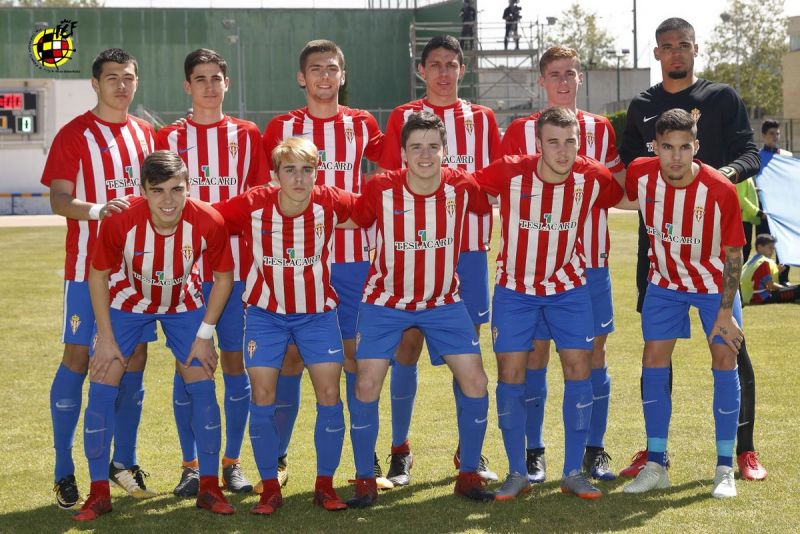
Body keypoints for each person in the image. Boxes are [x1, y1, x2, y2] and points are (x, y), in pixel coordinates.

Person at [618, 17, 766, 482]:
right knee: (655, 351)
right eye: (667, 46)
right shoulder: (642, 105)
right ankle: (654, 452)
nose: (676, 52)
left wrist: (715, 180)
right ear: (656, 53)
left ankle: (741, 451)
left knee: (730, 350)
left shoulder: (721, 97)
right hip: (659, 248)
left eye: (684, 45)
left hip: (716, 243)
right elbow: (627, 171)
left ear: (695, 49)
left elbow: (750, 154)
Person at [478, 106, 630, 501]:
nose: (562, 152)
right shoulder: (509, 171)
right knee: (511, 374)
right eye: (553, 142)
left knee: (579, 368)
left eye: (570, 142)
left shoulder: (592, 176)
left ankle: (573, 473)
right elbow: (462, 186)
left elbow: (624, 194)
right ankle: (516, 472)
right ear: (539, 143)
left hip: (569, 288)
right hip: (515, 289)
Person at [74, 150, 235, 521]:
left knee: (202, 380)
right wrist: (106, 338)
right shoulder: (121, 221)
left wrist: (204, 335)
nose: (168, 199)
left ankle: (209, 487)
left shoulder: (208, 220)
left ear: (188, 187)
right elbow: (97, 276)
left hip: (184, 304)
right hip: (127, 303)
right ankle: (99, 491)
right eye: (157, 190)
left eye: (176, 189)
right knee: (102, 380)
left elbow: (223, 278)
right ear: (143, 190)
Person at [346, 112, 494, 508]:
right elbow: (350, 218)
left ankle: (467, 474)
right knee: (365, 384)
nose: (425, 155)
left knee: (476, 382)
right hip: (385, 302)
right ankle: (365, 478)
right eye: (416, 147)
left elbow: (503, 197)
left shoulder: (462, 185)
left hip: (444, 302)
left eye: (433, 146)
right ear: (403, 153)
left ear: (445, 151)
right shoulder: (380, 187)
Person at [261, 39, 386, 490]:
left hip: (352, 264)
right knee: (291, 359)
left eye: (332, 68)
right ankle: (276, 459)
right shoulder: (281, 126)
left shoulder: (362, 125)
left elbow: (384, 184)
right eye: (316, 69)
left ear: (342, 76)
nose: (324, 76)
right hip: (297, 264)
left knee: (355, 358)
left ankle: (362, 458)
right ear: (302, 77)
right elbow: (267, 197)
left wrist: (354, 219)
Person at [378, 34, 501, 487]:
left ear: (462, 70)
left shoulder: (483, 119)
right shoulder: (402, 118)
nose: (444, 72)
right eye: (435, 64)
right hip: (410, 253)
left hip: (466, 252)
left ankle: (468, 453)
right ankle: (399, 451)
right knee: (405, 347)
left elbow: (491, 180)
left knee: (464, 352)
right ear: (421, 71)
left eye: (452, 64)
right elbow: (392, 179)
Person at [501, 46, 625, 484]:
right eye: (555, 74)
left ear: (581, 78)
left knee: (594, 353)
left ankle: (594, 449)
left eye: (571, 73)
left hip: (590, 261)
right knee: (534, 354)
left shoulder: (601, 128)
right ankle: (534, 451)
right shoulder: (519, 130)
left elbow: (616, 188)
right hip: (535, 268)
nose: (564, 82)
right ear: (542, 80)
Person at [41, 48, 157, 509]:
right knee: (76, 358)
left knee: (135, 359)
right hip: (87, 268)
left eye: (129, 77)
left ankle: (122, 461)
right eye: (113, 78)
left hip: (138, 272)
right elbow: (58, 199)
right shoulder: (75, 134)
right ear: (96, 83)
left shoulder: (146, 133)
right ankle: (64, 468)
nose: (122, 86)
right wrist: (97, 210)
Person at [214, 137, 355, 514]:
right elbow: (208, 218)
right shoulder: (252, 204)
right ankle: (270, 488)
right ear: (275, 175)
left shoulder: (331, 200)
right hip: (265, 316)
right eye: (289, 170)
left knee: (329, 395)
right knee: (263, 396)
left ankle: (325, 484)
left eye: (306, 170)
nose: (298, 178)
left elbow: (376, 209)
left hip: (318, 315)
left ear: (316, 173)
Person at [155, 48, 268, 497]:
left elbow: (260, 195)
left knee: (236, 364)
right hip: (184, 271)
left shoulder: (247, 133)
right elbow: (158, 200)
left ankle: (231, 462)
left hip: (239, 270)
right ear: (187, 86)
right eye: (199, 78)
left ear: (227, 83)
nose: (207, 85)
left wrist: (216, 220)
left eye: (215, 78)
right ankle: (190, 464)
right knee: (190, 367)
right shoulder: (168, 136)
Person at [623, 108, 745, 498]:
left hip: (713, 286)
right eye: (667, 147)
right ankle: (656, 463)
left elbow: (733, 254)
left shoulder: (719, 189)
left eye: (684, 147)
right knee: (653, 361)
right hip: (664, 284)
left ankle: (724, 467)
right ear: (655, 147)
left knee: (725, 360)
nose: (676, 157)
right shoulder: (640, 174)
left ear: (697, 146)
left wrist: (725, 312)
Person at [757, 120, 792, 283]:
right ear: (763, 135)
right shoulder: (757, 157)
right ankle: (763, 281)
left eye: (777, 133)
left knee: (784, 244)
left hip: (783, 210)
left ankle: (783, 279)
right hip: (764, 210)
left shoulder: (787, 156)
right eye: (771, 133)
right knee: (764, 244)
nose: (775, 136)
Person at [741, 234, 800, 305]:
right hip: (761, 298)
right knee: (797, 289)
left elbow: (759, 280)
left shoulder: (753, 260)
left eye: (773, 248)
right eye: (770, 248)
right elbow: (770, 285)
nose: (772, 251)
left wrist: (778, 272)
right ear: (760, 247)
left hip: (749, 297)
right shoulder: (763, 262)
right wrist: (786, 288)